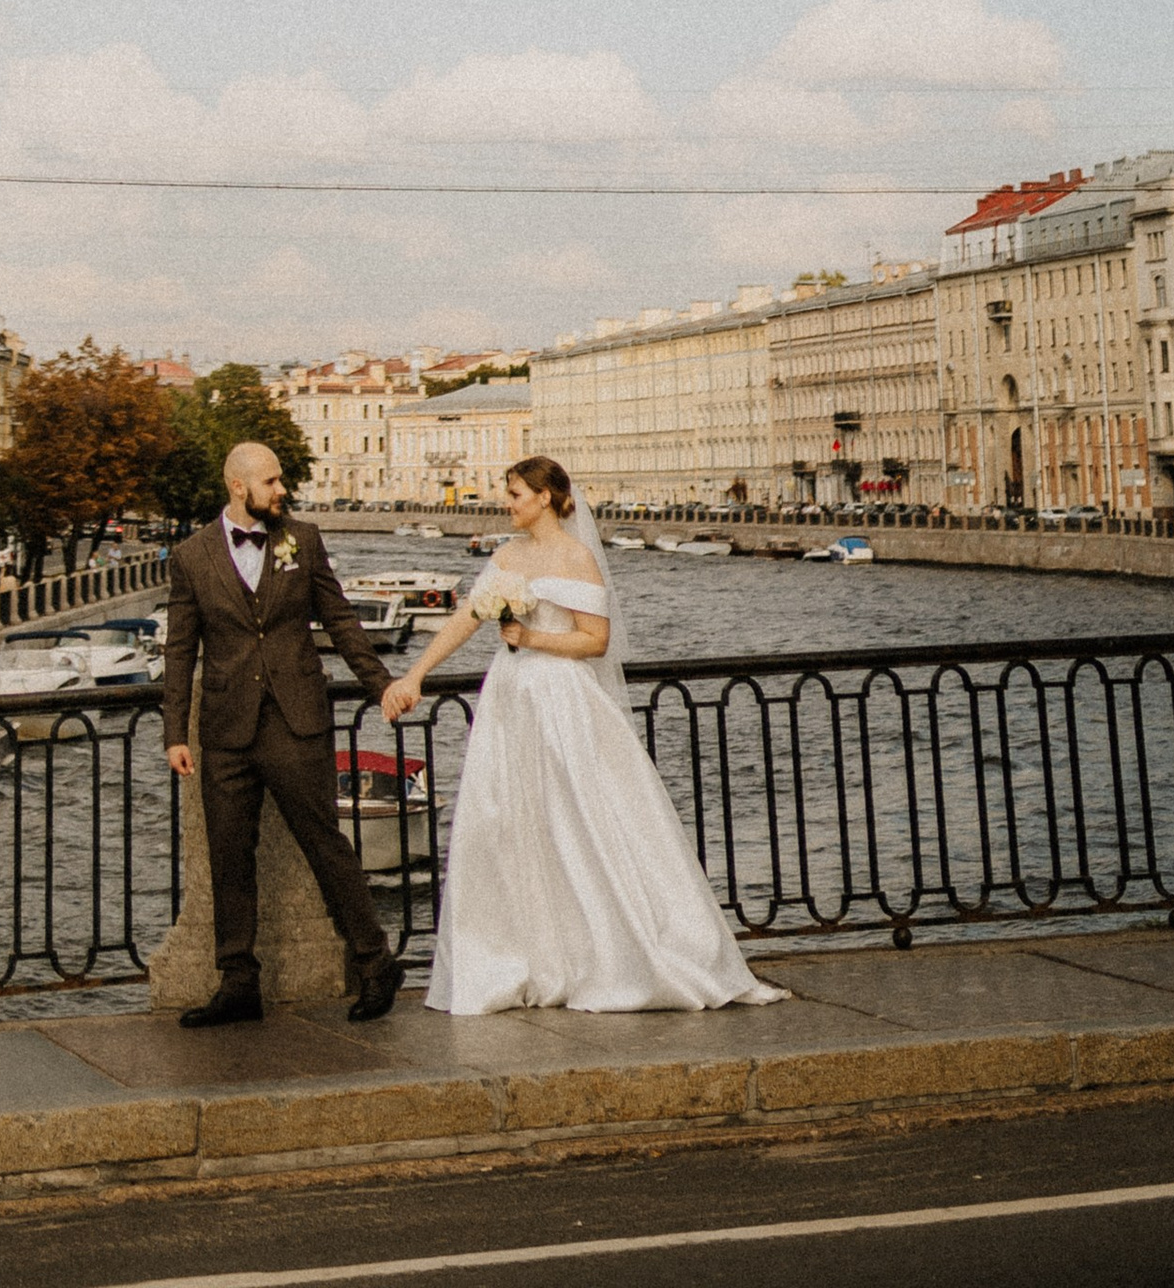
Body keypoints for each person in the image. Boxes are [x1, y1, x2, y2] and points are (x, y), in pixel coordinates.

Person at [383, 455, 781, 1015]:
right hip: (510, 699)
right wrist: (415, 674)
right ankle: (528, 956)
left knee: (581, 823)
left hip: (560, 699)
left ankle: (614, 956)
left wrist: (531, 637)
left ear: (545, 496)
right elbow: (465, 619)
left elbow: (594, 641)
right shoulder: (507, 555)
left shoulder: (577, 557)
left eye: (516, 493)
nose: (508, 502)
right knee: (510, 823)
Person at [161, 439, 401, 1027]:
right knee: (228, 855)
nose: (281, 489)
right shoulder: (191, 556)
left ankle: (375, 963)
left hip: (296, 720)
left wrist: (381, 684)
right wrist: (174, 733)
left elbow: (341, 618)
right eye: (270, 481)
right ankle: (239, 981)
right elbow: (178, 649)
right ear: (239, 487)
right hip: (225, 726)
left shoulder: (304, 539)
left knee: (325, 842)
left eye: (280, 480)